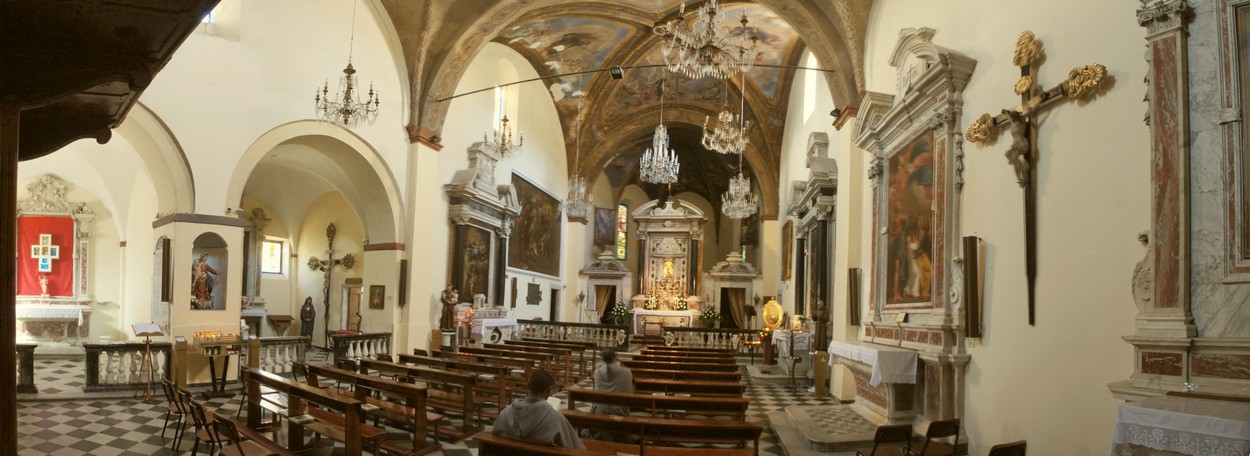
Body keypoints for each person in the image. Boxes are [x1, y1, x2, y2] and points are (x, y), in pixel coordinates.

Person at [492, 368, 585, 449]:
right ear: (549, 390)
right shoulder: (555, 419)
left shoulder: (504, 414)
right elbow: (575, 448)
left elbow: (493, 439)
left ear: (528, 387)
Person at [588, 348, 634, 442]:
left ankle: (599, 435)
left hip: (600, 410)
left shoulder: (597, 372)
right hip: (620, 411)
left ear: (602, 358)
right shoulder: (627, 371)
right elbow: (630, 392)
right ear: (615, 357)